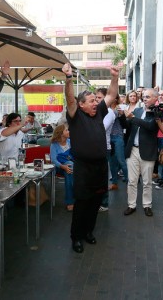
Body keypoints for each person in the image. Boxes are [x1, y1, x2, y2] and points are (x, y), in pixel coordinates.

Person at [63, 62, 119, 253]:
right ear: (81, 105)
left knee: (95, 202)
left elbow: (111, 95)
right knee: (82, 203)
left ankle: (88, 232)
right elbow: (69, 99)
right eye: (92, 100)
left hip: (101, 166)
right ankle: (76, 237)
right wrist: (69, 78)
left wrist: (114, 76)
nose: (96, 102)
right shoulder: (75, 115)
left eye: (96, 99)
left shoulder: (99, 112)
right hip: (83, 167)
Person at [119, 88, 160, 217]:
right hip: (133, 150)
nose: (144, 99)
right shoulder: (137, 110)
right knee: (132, 180)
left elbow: (150, 127)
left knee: (147, 181)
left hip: (147, 151)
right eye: (143, 97)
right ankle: (131, 205)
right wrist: (122, 117)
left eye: (147, 97)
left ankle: (147, 205)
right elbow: (128, 126)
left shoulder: (157, 112)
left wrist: (133, 118)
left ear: (155, 98)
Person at [50, 124, 74, 211]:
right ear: (61, 133)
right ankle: (76, 198)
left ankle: (70, 202)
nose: (68, 131)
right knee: (69, 165)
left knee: (69, 170)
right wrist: (62, 166)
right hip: (59, 167)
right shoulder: (54, 145)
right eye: (66, 130)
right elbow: (53, 160)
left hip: (71, 166)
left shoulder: (70, 141)